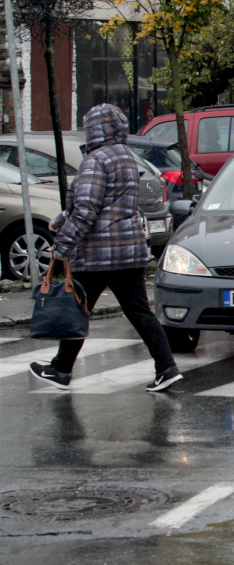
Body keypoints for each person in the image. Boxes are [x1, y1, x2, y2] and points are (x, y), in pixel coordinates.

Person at [30, 103, 183, 393]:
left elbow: (87, 209)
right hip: (128, 250)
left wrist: (63, 246)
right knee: (139, 311)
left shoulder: (96, 159)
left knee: (77, 308)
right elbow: (107, 203)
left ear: (95, 129)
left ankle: (61, 371)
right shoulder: (125, 156)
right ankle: (167, 368)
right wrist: (61, 219)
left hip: (100, 253)